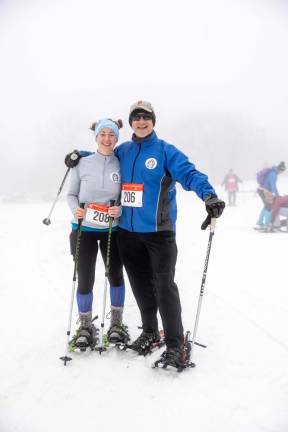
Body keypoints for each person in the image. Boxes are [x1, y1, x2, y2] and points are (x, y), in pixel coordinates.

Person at [66, 101, 225, 370]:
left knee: (164, 288)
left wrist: (208, 195)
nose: (141, 121)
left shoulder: (165, 151)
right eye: (136, 117)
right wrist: (77, 155)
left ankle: (175, 345)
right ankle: (150, 331)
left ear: (153, 121)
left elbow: (189, 173)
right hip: (127, 234)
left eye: (146, 117)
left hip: (159, 233)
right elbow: (101, 155)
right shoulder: (124, 151)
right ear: (130, 123)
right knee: (140, 286)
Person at [66, 118, 129, 350]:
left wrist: (119, 209)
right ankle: (85, 326)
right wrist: (77, 210)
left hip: (112, 229)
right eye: (102, 134)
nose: (107, 138)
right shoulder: (82, 163)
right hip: (84, 229)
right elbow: (71, 194)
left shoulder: (122, 163)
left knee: (115, 275)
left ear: (116, 138)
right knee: (85, 278)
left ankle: (116, 323)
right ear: (96, 137)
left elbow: (127, 195)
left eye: (111, 134)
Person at [255, 161, 286, 230]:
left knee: (266, 206)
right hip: (264, 190)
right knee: (269, 206)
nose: (281, 173)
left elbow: (272, 186)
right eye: (282, 171)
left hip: (262, 189)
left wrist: (276, 194)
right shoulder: (273, 174)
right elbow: (273, 185)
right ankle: (266, 224)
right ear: (280, 169)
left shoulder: (272, 172)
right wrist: (277, 195)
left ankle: (259, 223)